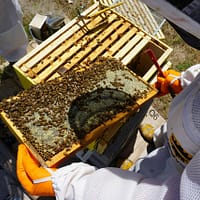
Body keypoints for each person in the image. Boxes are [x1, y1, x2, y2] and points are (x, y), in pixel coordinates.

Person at [16, 1, 200, 199]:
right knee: (160, 151)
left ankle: (143, 167)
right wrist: (188, 81)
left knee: (150, 174)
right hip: (179, 142)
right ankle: (156, 144)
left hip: (176, 176)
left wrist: (70, 185)